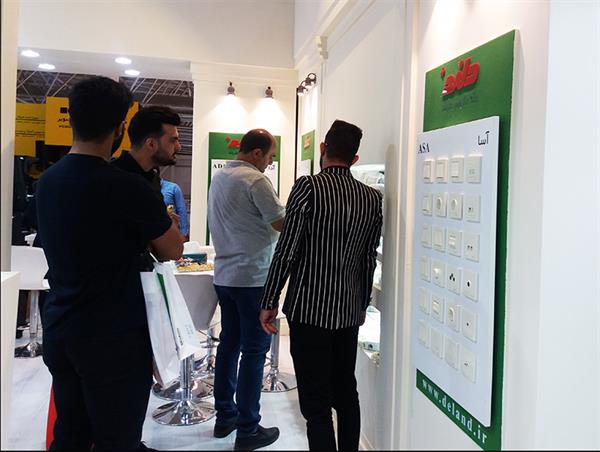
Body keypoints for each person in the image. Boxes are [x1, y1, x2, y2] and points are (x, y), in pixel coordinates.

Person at [36, 76, 183, 451]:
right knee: (117, 438)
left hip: (61, 325)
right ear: (120, 128)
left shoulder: (48, 181)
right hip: (112, 337)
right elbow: (172, 248)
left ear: (73, 119)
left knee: (70, 433)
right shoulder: (125, 186)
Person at [259, 120, 383, 451]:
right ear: (355, 159)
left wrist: (270, 299)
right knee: (346, 392)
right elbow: (369, 257)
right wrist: (361, 303)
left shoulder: (308, 187)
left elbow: (287, 249)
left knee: (316, 404)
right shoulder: (372, 198)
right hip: (348, 311)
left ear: (323, 149)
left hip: (308, 310)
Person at [207, 129, 283, 451]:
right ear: (256, 153)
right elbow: (280, 222)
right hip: (252, 277)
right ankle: (248, 428)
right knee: (254, 350)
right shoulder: (255, 180)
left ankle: (225, 416)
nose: (269, 163)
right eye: (269, 157)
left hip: (225, 275)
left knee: (229, 344)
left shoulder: (220, 178)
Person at [111, 105, 182, 201]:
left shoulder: (153, 179)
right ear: (151, 144)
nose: (178, 147)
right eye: (173, 140)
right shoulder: (112, 181)